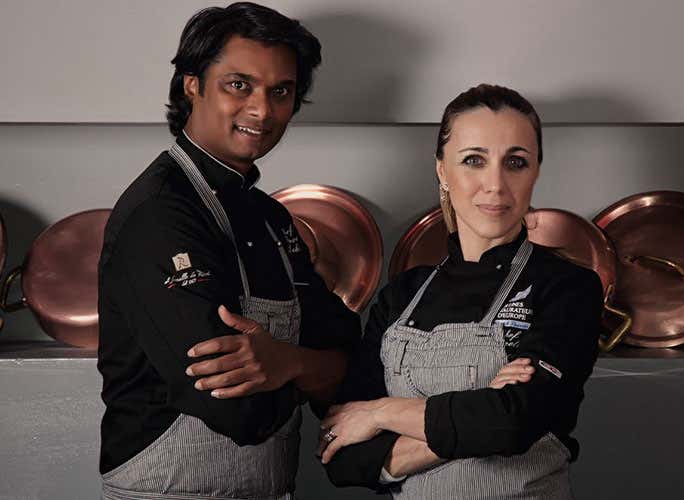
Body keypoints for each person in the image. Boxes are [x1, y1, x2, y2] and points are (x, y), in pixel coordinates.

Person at [97, 3, 360, 499]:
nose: (262, 110)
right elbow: (237, 409)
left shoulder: (271, 216)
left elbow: (347, 348)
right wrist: (313, 368)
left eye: (280, 91)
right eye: (239, 85)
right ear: (192, 85)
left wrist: (288, 363)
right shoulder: (160, 213)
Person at [319, 84, 604, 499]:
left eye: (516, 163)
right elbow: (343, 457)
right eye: (474, 160)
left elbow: (511, 424)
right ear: (442, 171)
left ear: (536, 172)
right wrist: (480, 412)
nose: (496, 184)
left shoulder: (567, 288)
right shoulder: (402, 295)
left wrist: (380, 413)